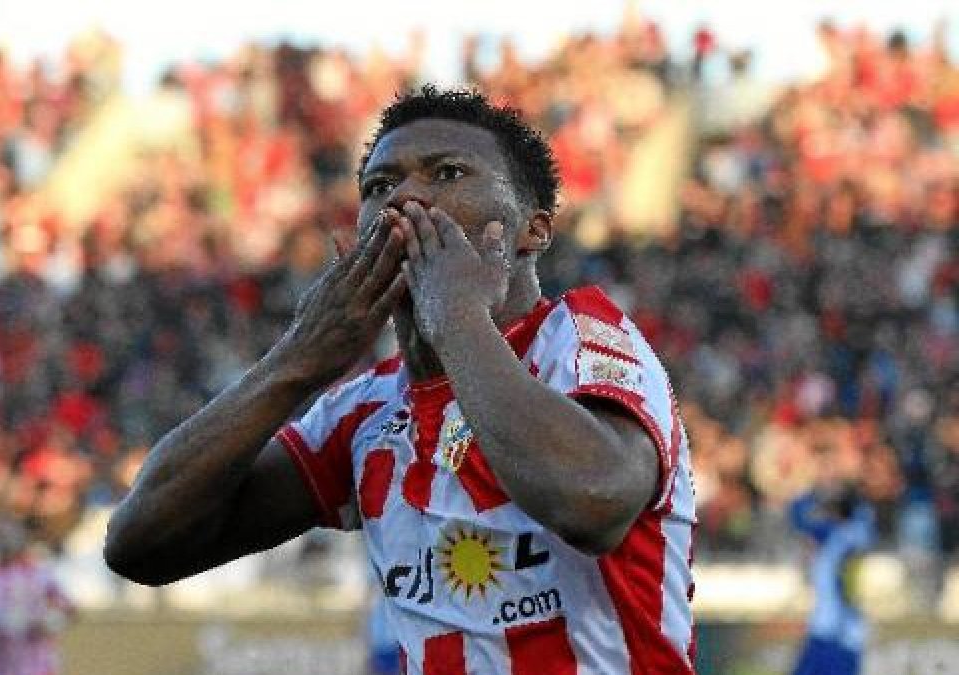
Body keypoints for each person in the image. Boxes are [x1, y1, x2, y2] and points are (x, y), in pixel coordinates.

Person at [105, 85, 697, 673]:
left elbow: (594, 502)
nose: (405, 199)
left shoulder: (580, 338)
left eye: (446, 173)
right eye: (379, 187)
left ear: (533, 229)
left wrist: (458, 318)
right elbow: (141, 544)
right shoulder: (365, 414)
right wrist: (295, 361)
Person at [0, 521, 76, 675]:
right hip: (0, 659)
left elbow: (69, 609)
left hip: (37, 659)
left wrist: (49, 620)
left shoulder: (40, 573)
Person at [789, 484, 875, 675]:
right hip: (849, 629)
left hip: (832, 628)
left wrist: (810, 494)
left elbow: (800, 519)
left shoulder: (834, 536)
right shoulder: (861, 532)